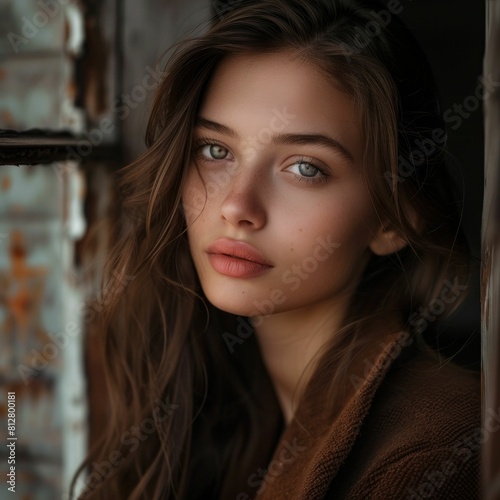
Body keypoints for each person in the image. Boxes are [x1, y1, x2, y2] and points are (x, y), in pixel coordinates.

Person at [71, 0, 481, 498]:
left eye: (305, 167)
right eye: (215, 151)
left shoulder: (438, 451)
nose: (237, 206)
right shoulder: (195, 384)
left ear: (394, 220)